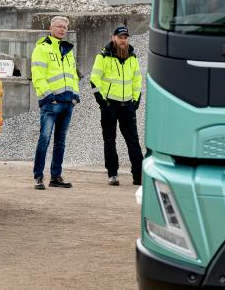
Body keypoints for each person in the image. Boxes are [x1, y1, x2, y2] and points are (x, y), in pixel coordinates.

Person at [90, 25, 144, 186]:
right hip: (110, 106)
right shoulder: (103, 57)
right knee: (110, 140)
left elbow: (137, 81)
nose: (123, 40)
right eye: (120, 37)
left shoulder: (132, 57)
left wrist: (136, 100)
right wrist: (102, 102)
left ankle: (138, 175)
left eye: (125, 37)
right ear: (114, 37)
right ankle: (112, 174)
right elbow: (94, 80)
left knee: (133, 141)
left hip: (128, 106)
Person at [30, 16, 79, 190]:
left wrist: (75, 96)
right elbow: (38, 75)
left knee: (60, 141)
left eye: (65, 27)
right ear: (50, 27)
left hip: (67, 102)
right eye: (58, 26)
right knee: (44, 139)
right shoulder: (42, 48)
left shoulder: (68, 50)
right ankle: (38, 177)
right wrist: (50, 97)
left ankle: (55, 176)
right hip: (51, 103)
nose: (62, 29)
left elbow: (73, 75)